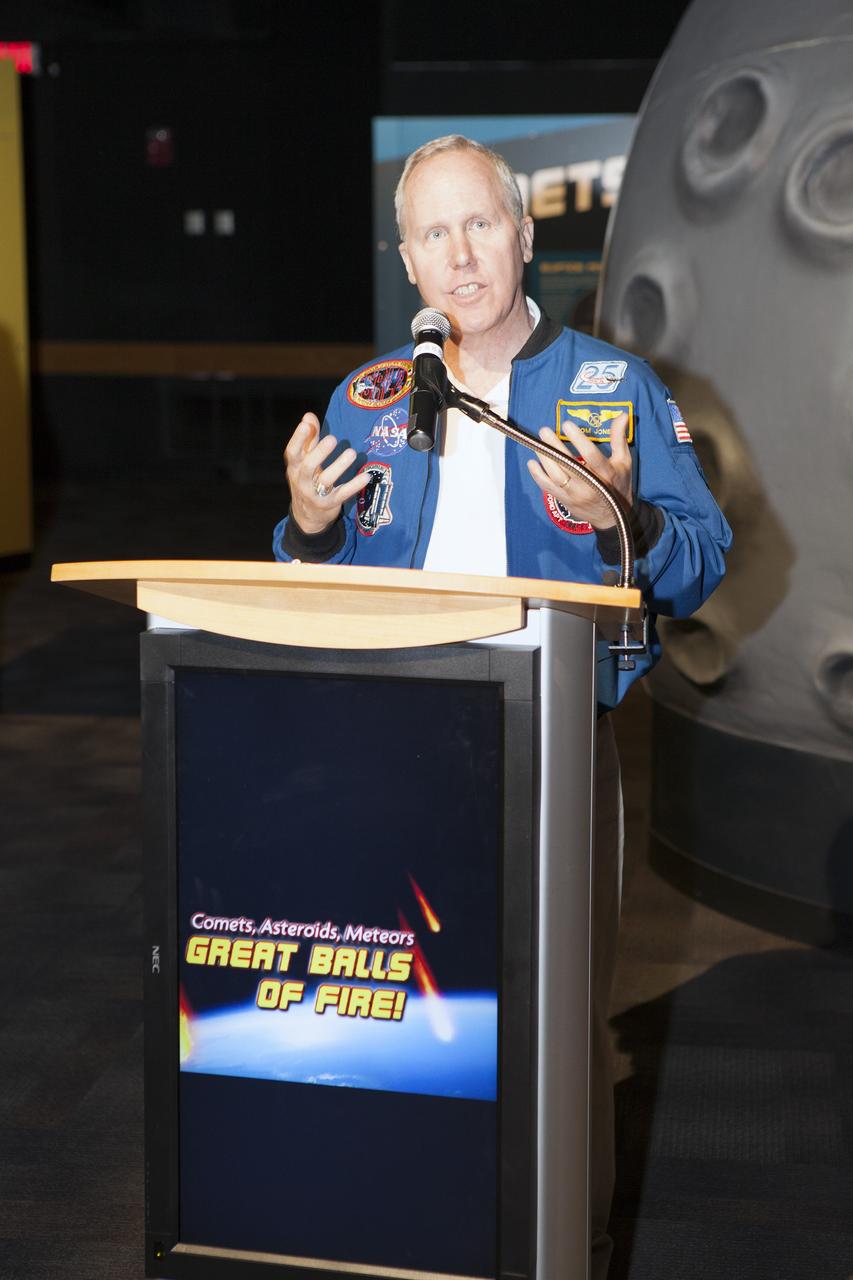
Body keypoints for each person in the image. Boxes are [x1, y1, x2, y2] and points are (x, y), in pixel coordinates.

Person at [273, 135, 731, 1278]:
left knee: (553, 1024)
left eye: (479, 224)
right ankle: (409, 1222)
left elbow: (702, 556)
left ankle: (565, 1243)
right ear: (407, 260)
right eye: (433, 233)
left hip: (551, 748)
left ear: (524, 236)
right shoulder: (371, 395)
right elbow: (311, 580)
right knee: (405, 1008)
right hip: (390, 747)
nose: (460, 253)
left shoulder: (609, 387)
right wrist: (308, 532)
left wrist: (616, 511)